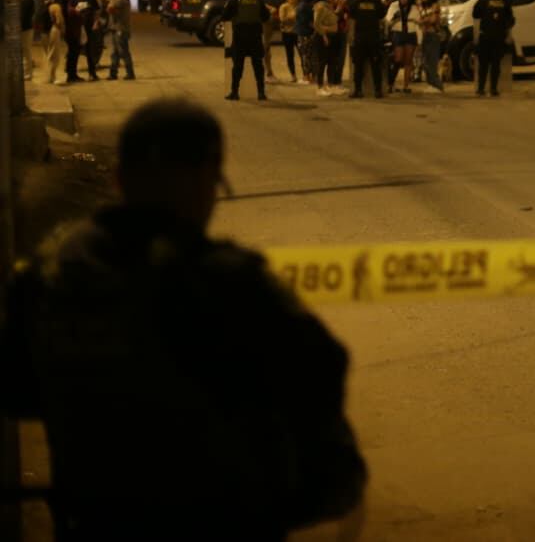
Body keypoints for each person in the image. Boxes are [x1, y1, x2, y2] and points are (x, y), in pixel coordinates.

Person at [0, 100, 367, 539]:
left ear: (119, 180)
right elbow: (320, 397)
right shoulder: (236, 287)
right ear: (206, 184)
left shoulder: (50, 274)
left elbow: (17, 390)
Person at [220, 0, 271, 101]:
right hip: (255, 37)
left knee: (237, 66)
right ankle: (261, 93)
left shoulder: (234, 0)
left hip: (240, 37)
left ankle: (234, 92)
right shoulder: (257, 0)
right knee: (258, 65)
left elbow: (224, 16)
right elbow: (266, 17)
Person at [472, 0, 514, 97]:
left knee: (484, 65)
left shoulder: (483, 1)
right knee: (495, 64)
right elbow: (511, 20)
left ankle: (481, 89)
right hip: (499, 37)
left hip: (486, 37)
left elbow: (475, 14)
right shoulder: (504, 1)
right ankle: (493, 89)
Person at [348, 0, 385, 99]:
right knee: (375, 65)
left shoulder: (356, 2)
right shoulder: (377, 2)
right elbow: (382, 15)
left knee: (358, 65)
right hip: (374, 38)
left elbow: (352, 17)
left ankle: (358, 90)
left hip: (360, 38)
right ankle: (378, 91)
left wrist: (352, 36)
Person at [65, 0, 100, 82]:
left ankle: (92, 74)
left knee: (90, 51)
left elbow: (96, 11)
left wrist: (96, 22)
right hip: (77, 28)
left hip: (89, 28)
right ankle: (71, 75)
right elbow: (69, 12)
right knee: (74, 52)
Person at [385, 0, 420, 95]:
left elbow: (417, 20)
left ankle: (406, 86)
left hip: (410, 33)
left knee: (408, 61)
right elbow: (388, 20)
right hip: (398, 33)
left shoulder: (414, 7)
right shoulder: (394, 5)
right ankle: (390, 83)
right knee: (398, 59)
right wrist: (396, 18)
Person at [416, 0, 446, 93]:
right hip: (425, 36)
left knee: (432, 62)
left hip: (433, 36)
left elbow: (433, 19)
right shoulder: (422, 7)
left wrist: (423, 21)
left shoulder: (435, 6)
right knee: (425, 62)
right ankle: (431, 83)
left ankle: (437, 85)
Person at [106, 0, 136, 81]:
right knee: (115, 52)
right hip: (115, 28)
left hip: (121, 29)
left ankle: (130, 73)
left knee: (123, 51)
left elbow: (110, 8)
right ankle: (113, 73)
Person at [311, 0, 339, 97]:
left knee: (331, 61)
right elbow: (316, 24)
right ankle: (320, 86)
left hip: (332, 37)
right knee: (322, 62)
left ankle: (329, 85)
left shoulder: (329, 7)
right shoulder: (320, 7)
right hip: (323, 37)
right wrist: (324, 35)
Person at [43, 0, 66, 85]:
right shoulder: (56, 6)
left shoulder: (45, 4)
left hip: (44, 31)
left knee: (48, 53)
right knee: (54, 55)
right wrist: (63, 30)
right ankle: (52, 77)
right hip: (54, 30)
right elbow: (59, 20)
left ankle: (49, 76)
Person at [329, 0, 349, 90]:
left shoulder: (346, 8)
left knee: (341, 59)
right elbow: (332, 18)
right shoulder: (331, 7)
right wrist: (339, 8)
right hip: (333, 34)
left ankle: (338, 81)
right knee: (333, 59)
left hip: (342, 34)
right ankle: (332, 81)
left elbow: (347, 20)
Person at [279, 0, 300, 83]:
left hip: (297, 33)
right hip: (287, 33)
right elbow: (282, 19)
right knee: (290, 55)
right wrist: (293, 16)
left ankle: (306, 75)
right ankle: (293, 75)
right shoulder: (284, 7)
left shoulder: (299, 7)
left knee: (302, 53)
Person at [295, 0, 315, 85]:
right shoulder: (308, 6)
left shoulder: (301, 6)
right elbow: (310, 21)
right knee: (309, 55)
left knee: (305, 55)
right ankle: (310, 76)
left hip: (302, 33)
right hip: (307, 33)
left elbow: (305, 21)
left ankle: (307, 77)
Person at [19, 0, 35, 80]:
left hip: (24, 28)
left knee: (25, 51)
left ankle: (27, 73)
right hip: (27, 27)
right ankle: (27, 72)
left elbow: (23, 14)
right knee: (26, 51)